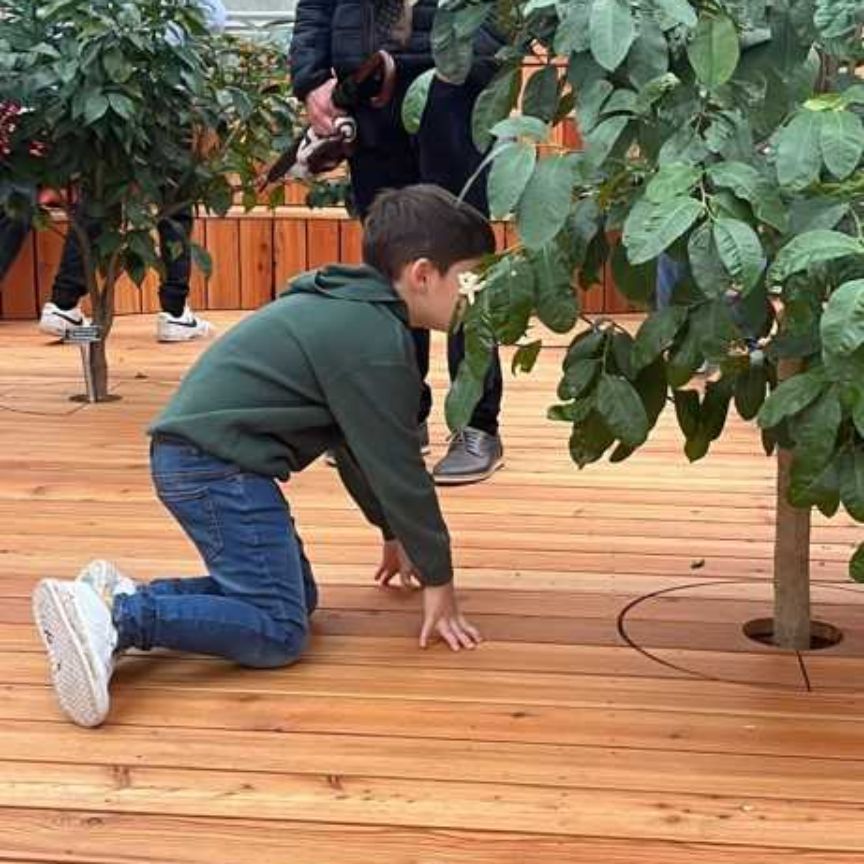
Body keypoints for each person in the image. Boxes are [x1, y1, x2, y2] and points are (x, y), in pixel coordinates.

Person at [32, 184, 489, 728]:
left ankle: (118, 595)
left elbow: (356, 449)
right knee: (278, 629)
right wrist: (439, 579)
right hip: (215, 469)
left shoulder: (352, 309)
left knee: (296, 599)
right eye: (470, 277)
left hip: (209, 461)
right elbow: (398, 467)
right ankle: (121, 618)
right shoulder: (373, 340)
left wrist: (391, 532)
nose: (476, 293)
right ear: (421, 275)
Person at [291, 0, 506, 485]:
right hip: (368, 94)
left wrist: (449, 63)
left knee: (461, 255)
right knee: (387, 258)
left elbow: (500, 18)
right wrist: (311, 80)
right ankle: (402, 417)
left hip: (452, 89)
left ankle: (477, 424)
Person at [37, 0, 228, 342]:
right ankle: (173, 314)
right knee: (174, 209)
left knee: (98, 199)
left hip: (102, 95)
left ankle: (64, 305)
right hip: (166, 99)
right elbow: (211, 20)